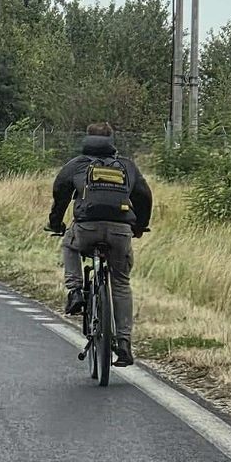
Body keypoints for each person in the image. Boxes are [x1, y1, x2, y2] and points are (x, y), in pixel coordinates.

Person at [47, 122, 152, 367]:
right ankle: (123, 343)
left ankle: (75, 291)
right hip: (120, 231)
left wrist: (56, 223)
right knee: (121, 283)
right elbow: (144, 196)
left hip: (86, 228)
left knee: (69, 244)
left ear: (87, 138)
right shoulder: (126, 166)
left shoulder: (77, 164)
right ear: (111, 140)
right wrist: (139, 226)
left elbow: (60, 193)